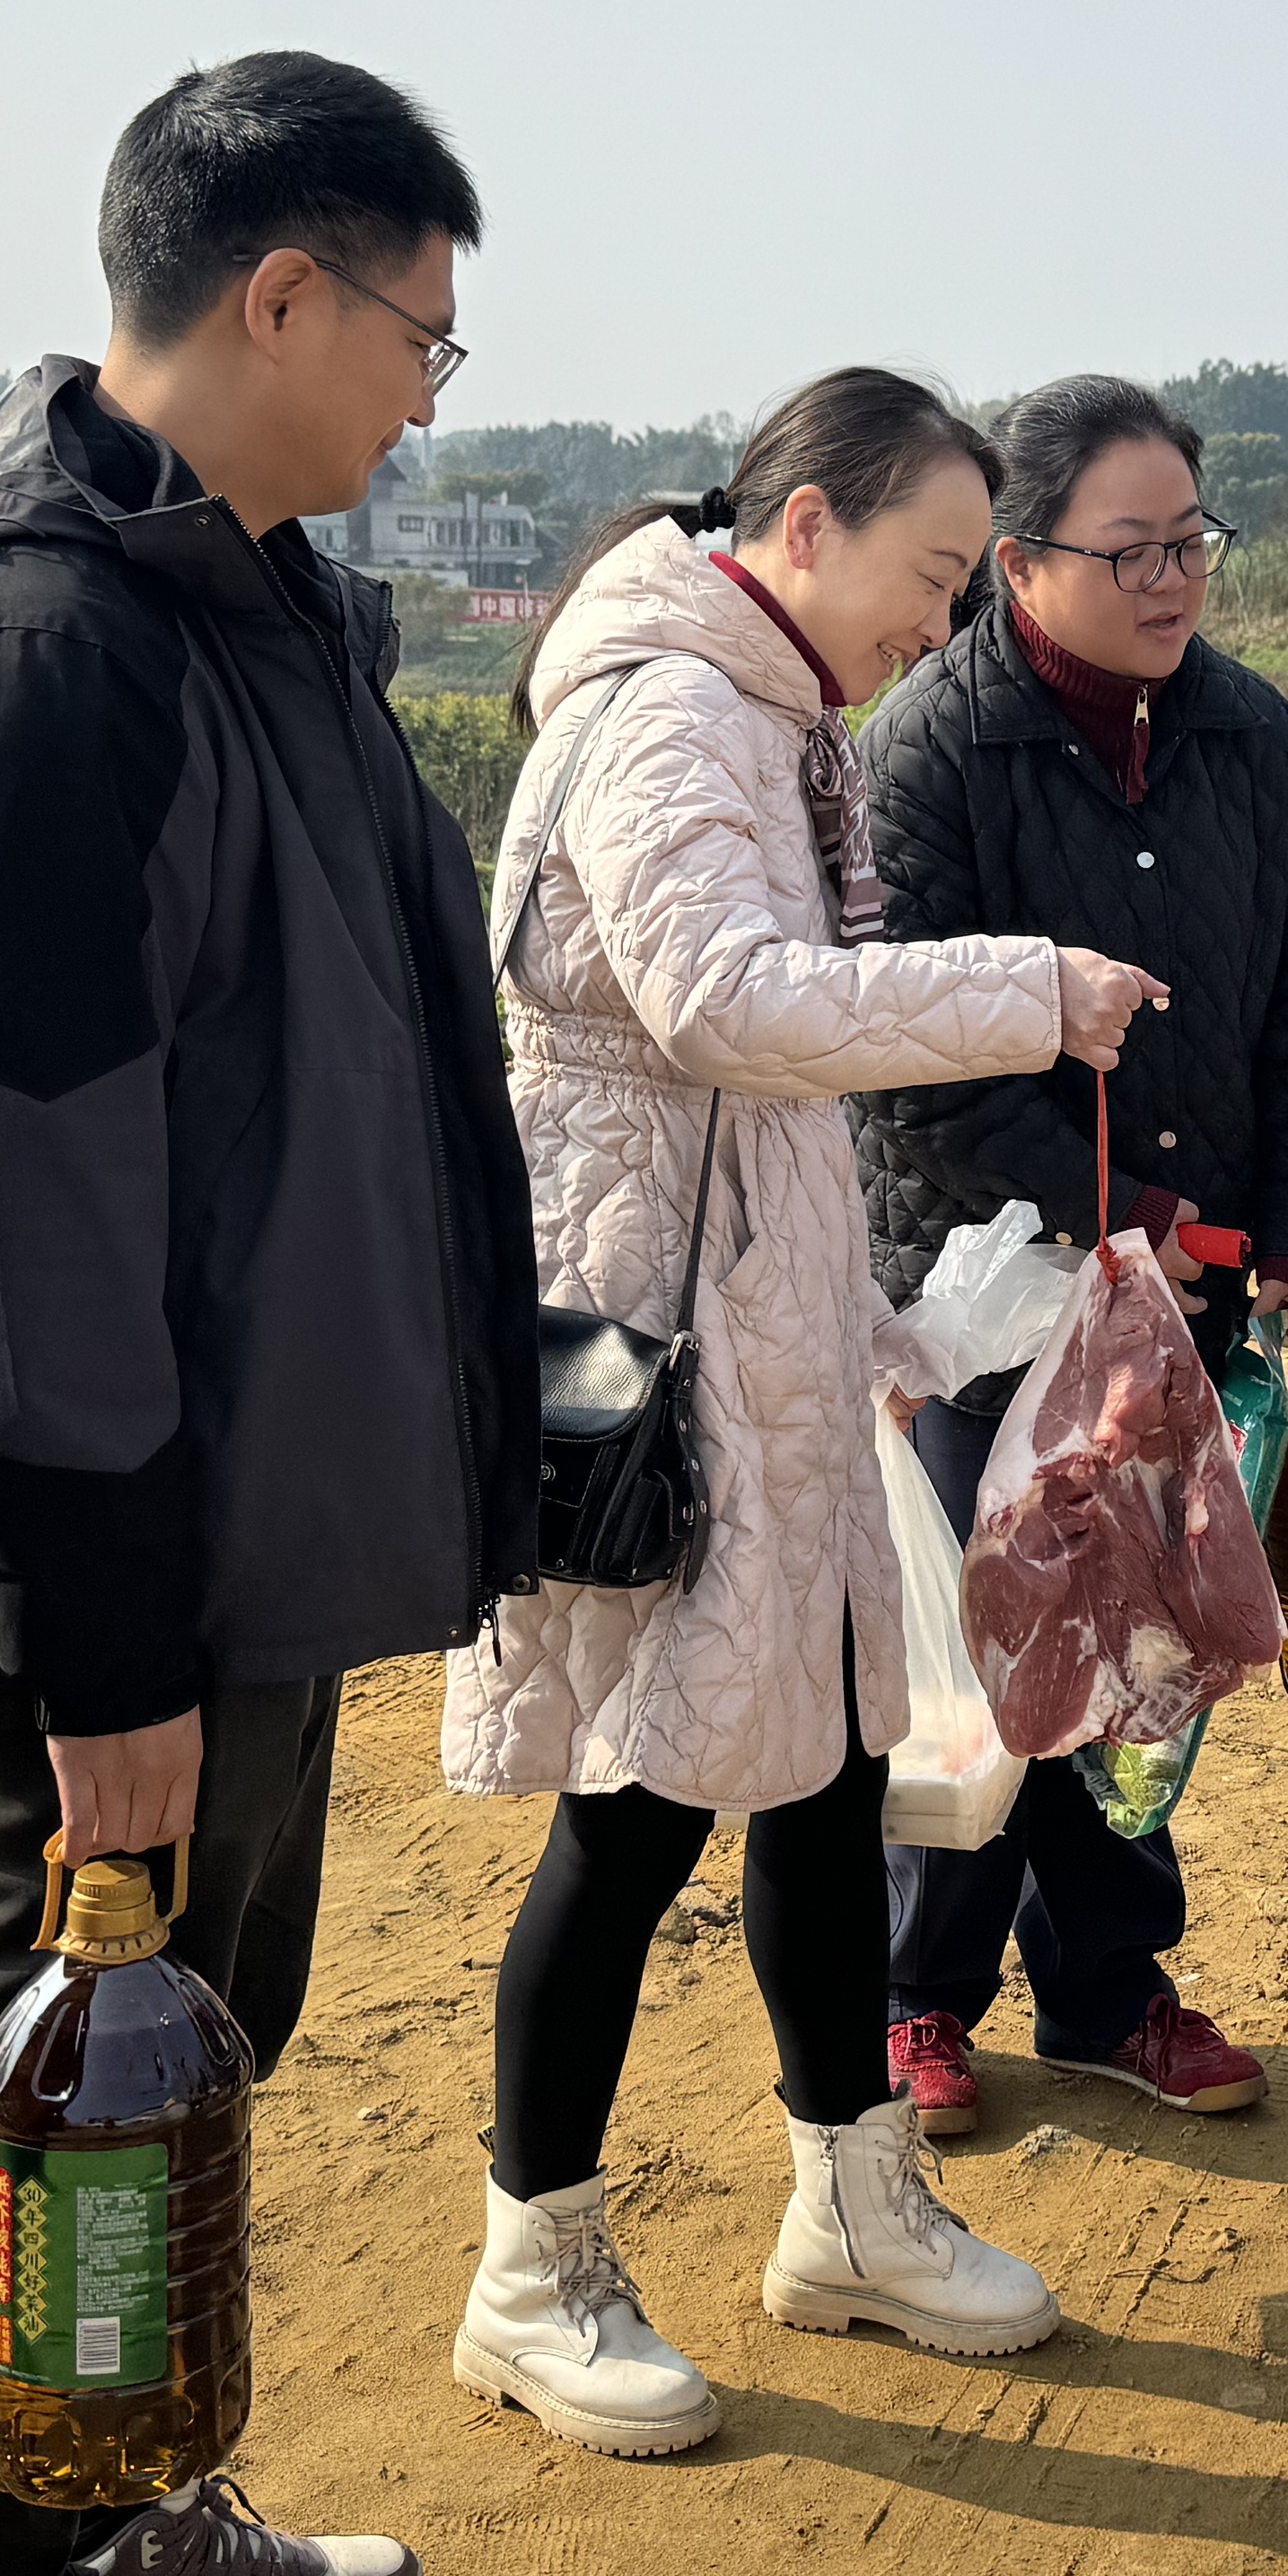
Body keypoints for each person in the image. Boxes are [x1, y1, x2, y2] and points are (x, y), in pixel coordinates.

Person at [0, 53, 539, 2576]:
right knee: (57, 2083)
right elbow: (26, 1204)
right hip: (113, 1552)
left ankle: (121, 2526)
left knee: (190, 2042)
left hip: (250, 1510)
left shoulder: (250, 602)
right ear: (277, 292)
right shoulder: (37, 653)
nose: (428, 394)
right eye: (421, 337)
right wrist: (100, 1643)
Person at [445, 375, 1162, 2455]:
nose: (939, 626)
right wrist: (1026, 987)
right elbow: (726, 1006)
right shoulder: (671, 709)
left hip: (748, 1322)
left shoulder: (766, 711)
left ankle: (853, 2204)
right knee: (637, 1797)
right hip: (645, 1354)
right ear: (808, 526)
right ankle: (531, 2271)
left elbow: (753, 1107)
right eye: (931, 574)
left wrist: (866, 1324)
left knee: (829, 1769)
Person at [855, 374, 1288, 2137]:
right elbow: (906, 1057)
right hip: (986, 1287)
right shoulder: (929, 751)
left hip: (1193, 1282)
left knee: (1136, 1639)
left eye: (1191, 544)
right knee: (987, 1638)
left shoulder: (1252, 735)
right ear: (1018, 562)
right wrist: (1107, 1228)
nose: (1172, 581)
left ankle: (1105, 1990)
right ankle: (919, 1993)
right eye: (1129, 551)